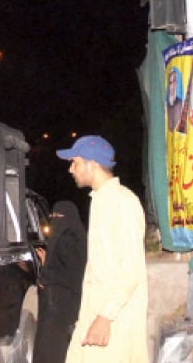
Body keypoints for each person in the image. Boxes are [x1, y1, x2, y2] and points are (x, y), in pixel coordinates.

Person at [56, 136, 148, 363]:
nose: (71, 169)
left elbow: (129, 269)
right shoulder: (101, 201)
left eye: (75, 162)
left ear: (92, 163)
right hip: (98, 315)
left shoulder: (122, 203)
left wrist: (105, 316)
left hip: (115, 322)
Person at [33, 201, 87, 363]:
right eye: (53, 217)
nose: (56, 221)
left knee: (51, 350)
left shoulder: (67, 240)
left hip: (59, 308)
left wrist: (46, 273)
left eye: (60, 217)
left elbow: (68, 274)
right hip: (64, 305)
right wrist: (47, 263)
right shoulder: (78, 236)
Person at [166, 66, 184, 132]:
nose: (172, 86)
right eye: (170, 82)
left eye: (174, 81)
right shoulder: (168, 105)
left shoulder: (179, 103)